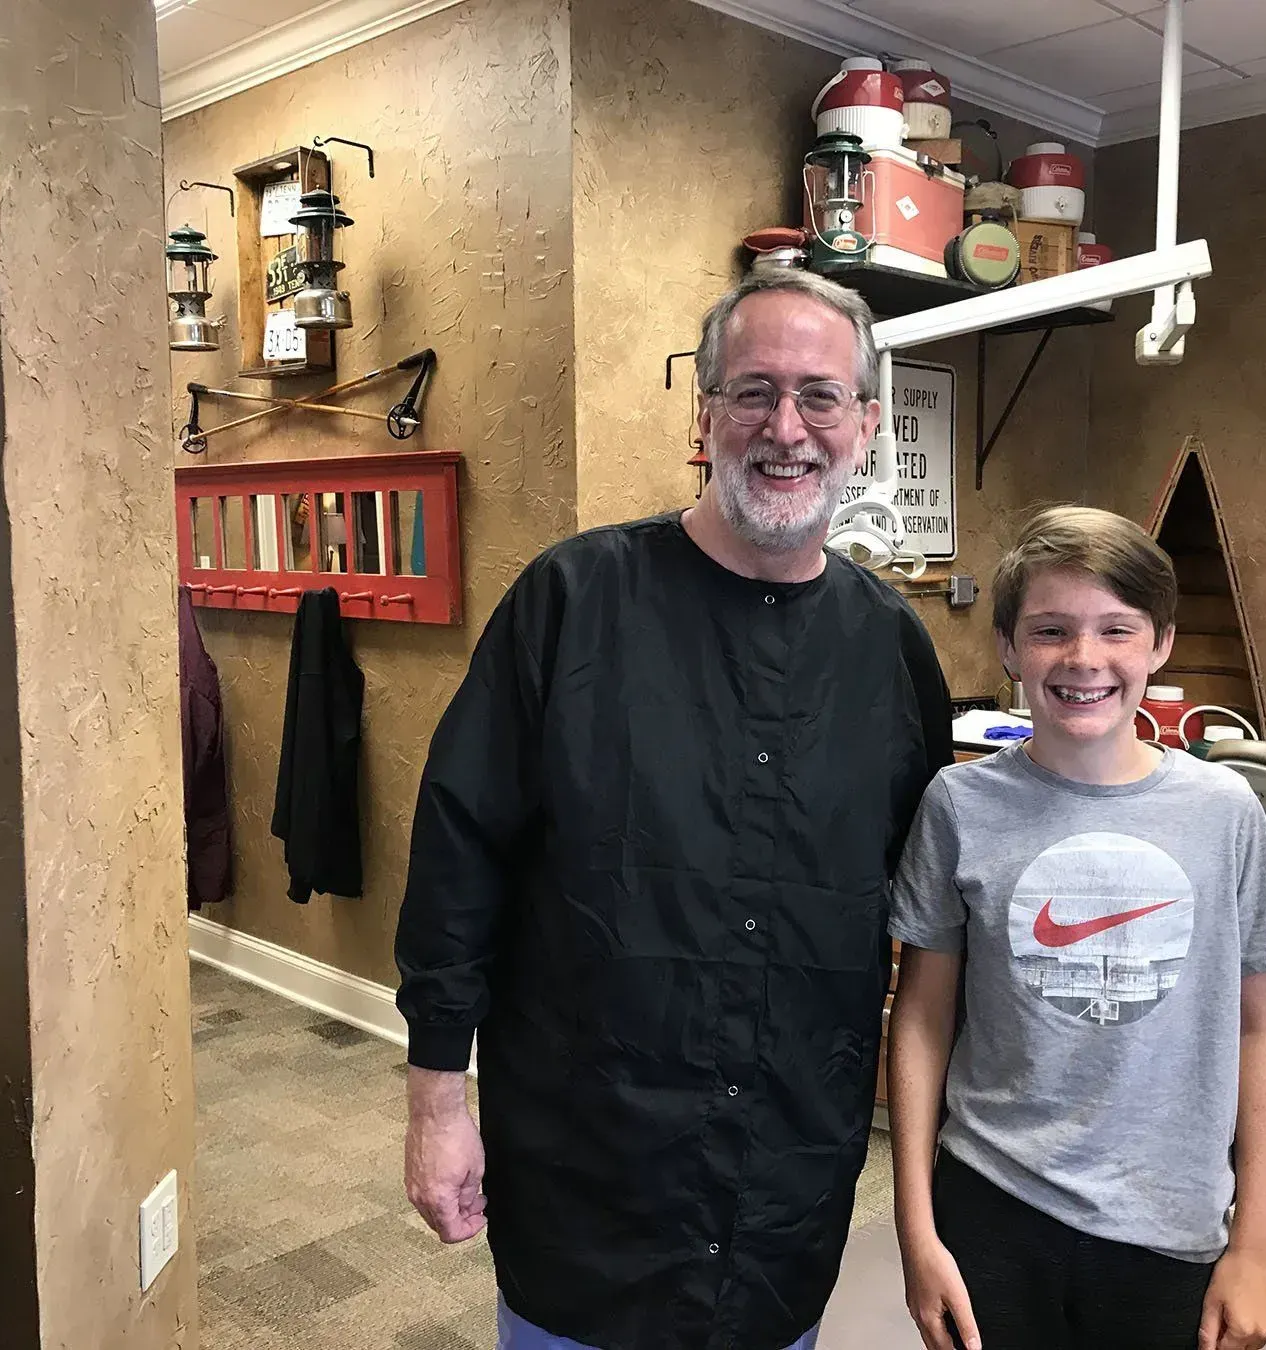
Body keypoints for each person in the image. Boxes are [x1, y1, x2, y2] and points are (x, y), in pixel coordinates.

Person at [394, 269, 953, 1350]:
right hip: (584, 1167)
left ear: (866, 424)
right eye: (752, 391)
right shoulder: (570, 604)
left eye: (821, 397)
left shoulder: (891, 651)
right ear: (704, 415)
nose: (785, 427)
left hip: (782, 1179)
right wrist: (436, 1106)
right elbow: (458, 863)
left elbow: (926, 905)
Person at [886, 505, 1266, 1350]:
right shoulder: (960, 805)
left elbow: (1260, 1023)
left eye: (1118, 629)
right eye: (1050, 630)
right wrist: (915, 1231)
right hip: (992, 1200)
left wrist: (1259, 1243)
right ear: (1007, 647)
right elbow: (922, 1018)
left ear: (1160, 644)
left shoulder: (1223, 812)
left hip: (1167, 1220)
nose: (1084, 659)